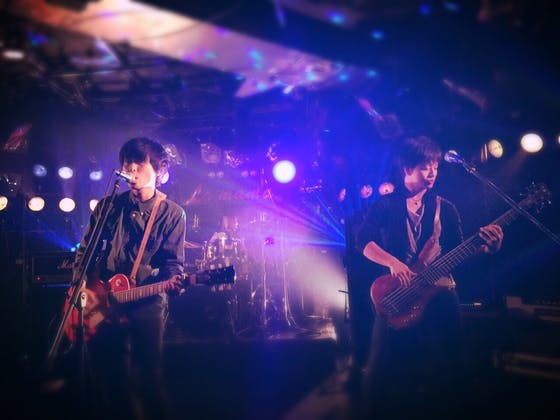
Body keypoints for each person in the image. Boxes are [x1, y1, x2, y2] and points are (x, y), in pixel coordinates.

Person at [355, 136, 503, 418]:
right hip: (397, 293)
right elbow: (363, 241)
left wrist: (490, 247)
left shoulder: (445, 208)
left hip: (440, 290)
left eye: (435, 166)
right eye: (425, 166)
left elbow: (461, 250)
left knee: (454, 361)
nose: (432, 172)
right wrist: (393, 263)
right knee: (377, 367)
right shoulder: (386, 205)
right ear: (407, 168)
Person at [71, 137, 186, 420]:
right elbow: (85, 250)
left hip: (147, 300)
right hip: (105, 296)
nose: (131, 170)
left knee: (148, 375)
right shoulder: (109, 206)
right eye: (127, 164)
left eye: (139, 165)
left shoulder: (172, 214)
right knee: (110, 376)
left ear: (158, 170)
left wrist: (174, 281)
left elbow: (173, 263)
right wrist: (80, 285)